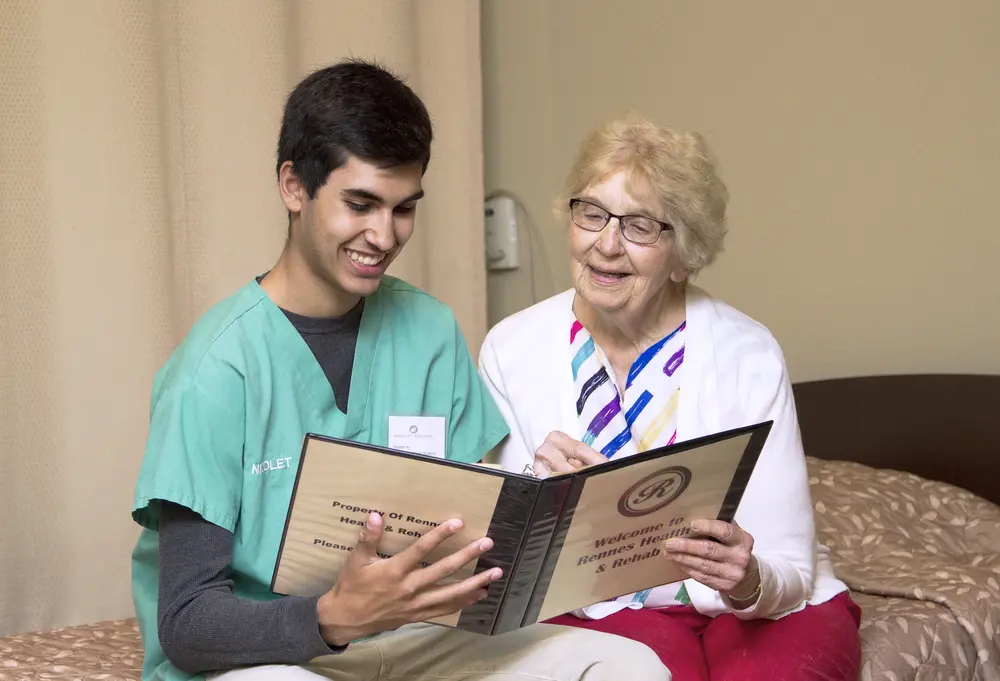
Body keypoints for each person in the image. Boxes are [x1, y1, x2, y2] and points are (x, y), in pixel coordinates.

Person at [129, 62, 670, 681]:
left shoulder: (430, 333)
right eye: (359, 204)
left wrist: (550, 497)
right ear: (293, 187)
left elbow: (472, 523)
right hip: (275, 657)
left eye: (403, 208)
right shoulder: (214, 374)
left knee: (624, 664)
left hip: (414, 642)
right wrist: (332, 617)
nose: (384, 235)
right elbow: (186, 624)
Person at [477, 113, 862, 681]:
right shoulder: (511, 348)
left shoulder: (748, 354)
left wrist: (747, 578)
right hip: (595, 609)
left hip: (755, 609)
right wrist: (538, 496)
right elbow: (501, 559)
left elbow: (788, 567)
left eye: (639, 226)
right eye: (592, 213)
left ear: (684, 252)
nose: (607, 245)